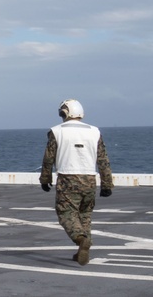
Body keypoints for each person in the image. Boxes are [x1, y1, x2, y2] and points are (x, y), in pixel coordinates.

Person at [40, 99, 113, 266]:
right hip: (89, 180)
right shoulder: (94, 131)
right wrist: (107, 184)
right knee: (85, 215)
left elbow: (48, 158)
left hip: (67, 179)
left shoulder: (56, 131)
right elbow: (103, 160)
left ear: (65, 113)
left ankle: (81, 240)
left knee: (66, 213)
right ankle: (82, 248)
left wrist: (45, 178)